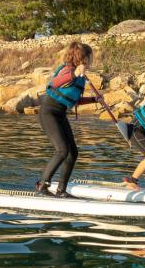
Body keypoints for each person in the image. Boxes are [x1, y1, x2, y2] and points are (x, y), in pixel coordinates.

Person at [36, 41, 103, 197]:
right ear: (83, 58)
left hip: (60, 113)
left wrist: (94, 100)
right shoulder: (68, 70)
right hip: (48, 113)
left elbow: (72, 100)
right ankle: (42, 186)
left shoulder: (79, 76)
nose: (92, 60)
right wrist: (74, 73)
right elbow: (54, 83)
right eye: (90, 57)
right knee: (62, 150)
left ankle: (61, 190)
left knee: (72, 152)